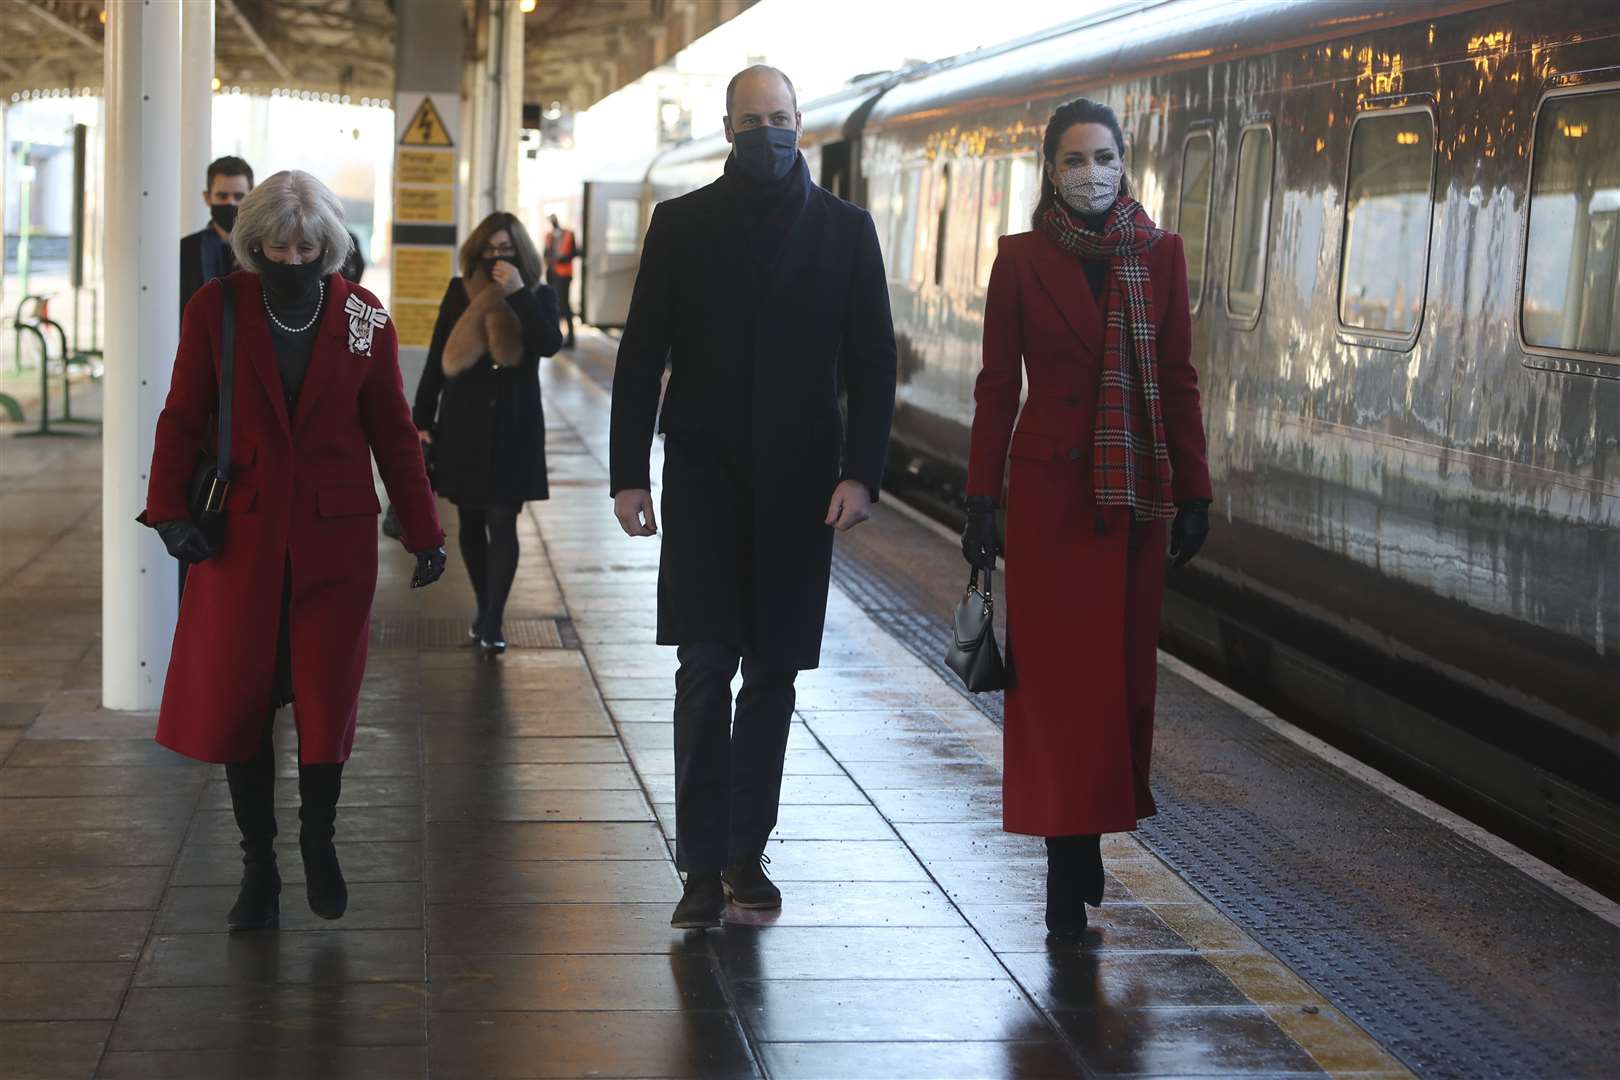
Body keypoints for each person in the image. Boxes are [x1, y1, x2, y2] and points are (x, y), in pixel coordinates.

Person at [609, 65, 896, 930]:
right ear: (727, 125)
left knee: (772, 674)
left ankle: (744, 852)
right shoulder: (681, 224)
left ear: (800, 122)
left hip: (803, 491)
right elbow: (639, 355)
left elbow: (874, 363)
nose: (767, 131)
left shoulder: (847, 232)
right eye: (751, 119)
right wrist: (629, 474)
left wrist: (863, 473)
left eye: (780, 118)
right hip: (701, 482)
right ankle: (701, 865)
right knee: (703, 670)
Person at [141, 170, 446, 932]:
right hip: (239, 540)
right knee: (241, 701)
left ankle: (319, 842)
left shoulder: (364, 319)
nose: (292, 254)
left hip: (334, 544)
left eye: (307, 243)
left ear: (330, 245)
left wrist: (424, 529)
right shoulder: (218, 309)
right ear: (252, 242)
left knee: (326, 696)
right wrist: (168, 508)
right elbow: (183, 414)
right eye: (276, 242)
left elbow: (394, 433)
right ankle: (258, 868)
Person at [960, 98, 1211, 939]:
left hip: (1133, 498)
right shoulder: (1020, 259)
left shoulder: (1160, 254)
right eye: (1074, 159)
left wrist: (1197, 491)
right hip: (1050, 504)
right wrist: (979, 496)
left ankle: (1091, 827)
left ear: (1124, 161)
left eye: (1103, 156)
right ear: (1050, 170)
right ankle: (1064, 870)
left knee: (1121, 686)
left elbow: (1177, 377)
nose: (1090, 172)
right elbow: (999, 385)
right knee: (1053, 696)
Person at [412, 212, 563, 654]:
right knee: (472, 520)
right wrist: (421, 421)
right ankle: (484, 607)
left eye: (506, 249)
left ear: (521, 251)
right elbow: (438, 355)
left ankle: (494, 618)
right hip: (464, 422)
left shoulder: (538, 293)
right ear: (477, 252)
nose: (497, 257)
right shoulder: (459, 292)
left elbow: (549, 344)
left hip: (515, 423)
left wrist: (517, 294)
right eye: (490, 249)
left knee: (503, 517)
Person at [180, 156, 254, 326]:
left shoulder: (267, 249)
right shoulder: (184, 250)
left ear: (252, 196)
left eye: (238, 196)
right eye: (222, 196)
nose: (230, 202)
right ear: (207, 197)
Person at [543, 214, 577, 349]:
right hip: (552, 274)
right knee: (554, 304)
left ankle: (571, 337)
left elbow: (574, 252)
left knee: (564, 304)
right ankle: (556, 336)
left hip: (564, 274)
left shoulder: (569, 234)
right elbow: (545, 253)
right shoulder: (549, 236)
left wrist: (561, 258)